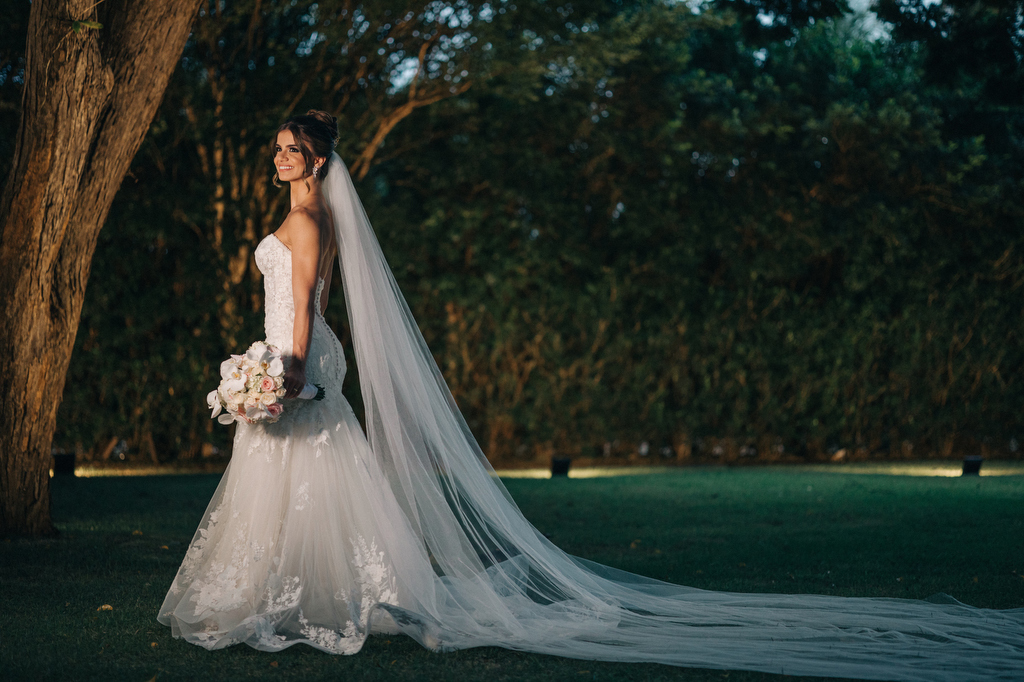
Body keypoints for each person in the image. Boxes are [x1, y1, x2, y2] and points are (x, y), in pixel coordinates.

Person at [159, 110, 1024, 680]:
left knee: (308, 475)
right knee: (302, 481)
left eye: (289, 149)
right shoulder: (312, 215)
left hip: (298, 359)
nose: (278, 158)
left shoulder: (309, 222)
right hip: (281, 357)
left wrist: (286, 375)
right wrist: (266, 366)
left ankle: (306, 597)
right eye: (275, 147)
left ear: (316, 160)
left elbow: (305, 308)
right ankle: (307, 591)